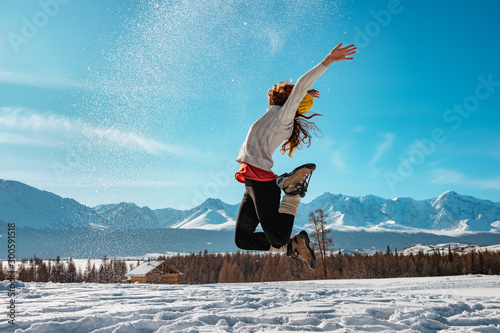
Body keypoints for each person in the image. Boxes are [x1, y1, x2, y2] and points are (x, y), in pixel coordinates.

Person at [234, 42, 356, 269]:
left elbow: (298, 85)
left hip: (262, 181)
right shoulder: (272, 113)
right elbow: (289, 94)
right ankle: (295, 245)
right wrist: (302, 95)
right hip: (251, 181)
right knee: (243, 240)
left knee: (276, 239)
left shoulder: (283, 119)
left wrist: (327, 61)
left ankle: (292, 192)